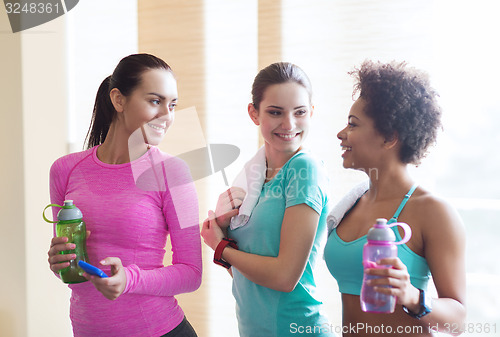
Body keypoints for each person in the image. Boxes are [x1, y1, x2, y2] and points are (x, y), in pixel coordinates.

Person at [47, 53, 202, 337]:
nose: (167, 117)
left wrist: (128, 279)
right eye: (155, 101)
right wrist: (59, 262)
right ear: (119, 100)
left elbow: (192, 273)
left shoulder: (175, 173)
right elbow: (70, 264)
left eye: (173, 105)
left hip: (160, 329)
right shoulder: (64, 170)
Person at [324, 60, 466, 336]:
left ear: (389, 137)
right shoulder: (350, 205)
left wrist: (411, 295)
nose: (341, 134)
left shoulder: (433, 211)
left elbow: (457, 321)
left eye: (353, 125)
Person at [201, 62, 334, 337]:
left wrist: (220, 247)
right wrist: (223, 235)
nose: (289, 124)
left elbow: (285, 278)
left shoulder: (304, 169)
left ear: (311, 112)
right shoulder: (252, 177)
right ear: (254, 113)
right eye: (275, 112)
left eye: (300, 112)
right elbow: (249, 279)